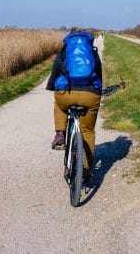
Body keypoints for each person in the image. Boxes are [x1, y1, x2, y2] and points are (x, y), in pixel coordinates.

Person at [46, 28, 103, 181]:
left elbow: (55, 73)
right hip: (90, 94)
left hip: (67, 93)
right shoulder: (93, 52)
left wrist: (52, 88)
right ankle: (86, 170)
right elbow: (99, 75)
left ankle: (60, 133)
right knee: (87, 131)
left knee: (59, 105)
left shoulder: (65, 51)